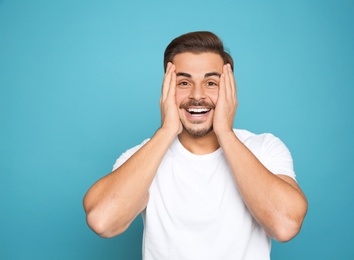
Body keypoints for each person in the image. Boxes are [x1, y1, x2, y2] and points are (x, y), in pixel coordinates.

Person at [83, 31, 308, 260]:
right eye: (183, 82)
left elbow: (285, 226)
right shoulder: (143, 157)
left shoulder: (265, 148)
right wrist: (166, 131)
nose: (197, 95)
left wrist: (225, 133)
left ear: (229, 90)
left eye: (211, 83)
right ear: (167, 90)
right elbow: (102, 221)